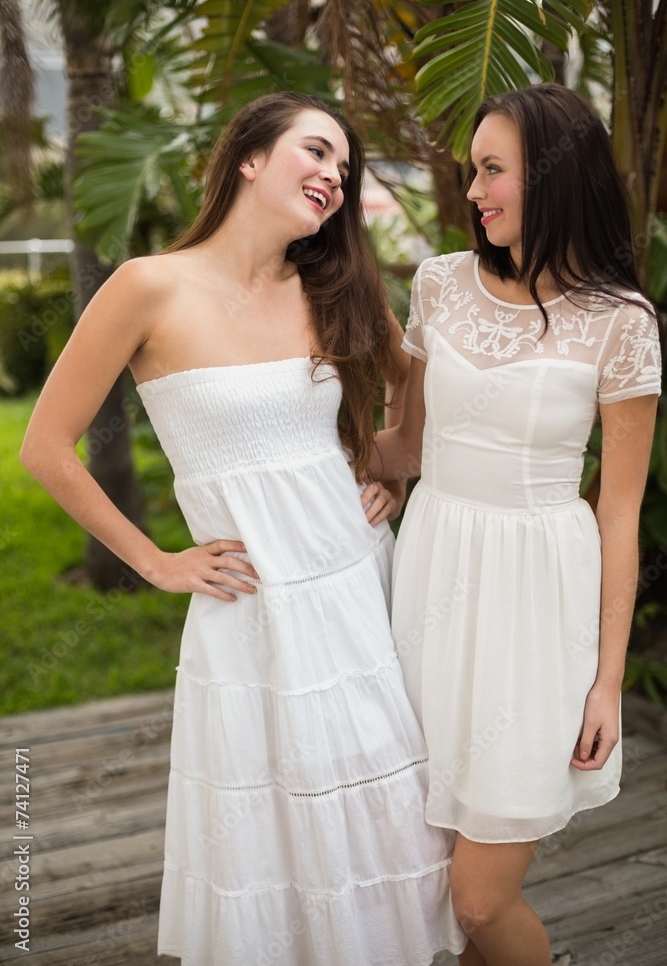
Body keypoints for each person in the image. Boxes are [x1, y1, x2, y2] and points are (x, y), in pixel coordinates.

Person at [21, 92, 465, 964]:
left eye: (345, 166)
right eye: (316, 152)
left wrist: (391, 468)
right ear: (250, 158)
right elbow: (44, 446)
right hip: (249, 605)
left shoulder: (332, 287)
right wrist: (154, 562)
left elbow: (414, 380)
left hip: (356, 589)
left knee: (388, 822)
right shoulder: (150, 284)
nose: (334, 176)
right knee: (270, 830)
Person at [373, 83, 662, 966]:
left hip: (539, 610)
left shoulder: (623, 325)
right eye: (472, 171)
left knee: (478, 896)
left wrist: (606, 681)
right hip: (427, 587)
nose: (472, 191)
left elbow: (618, 512)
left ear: (553, 176)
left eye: (491, 170)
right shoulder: (438, 286)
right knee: (419, 875)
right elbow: (404, 445)